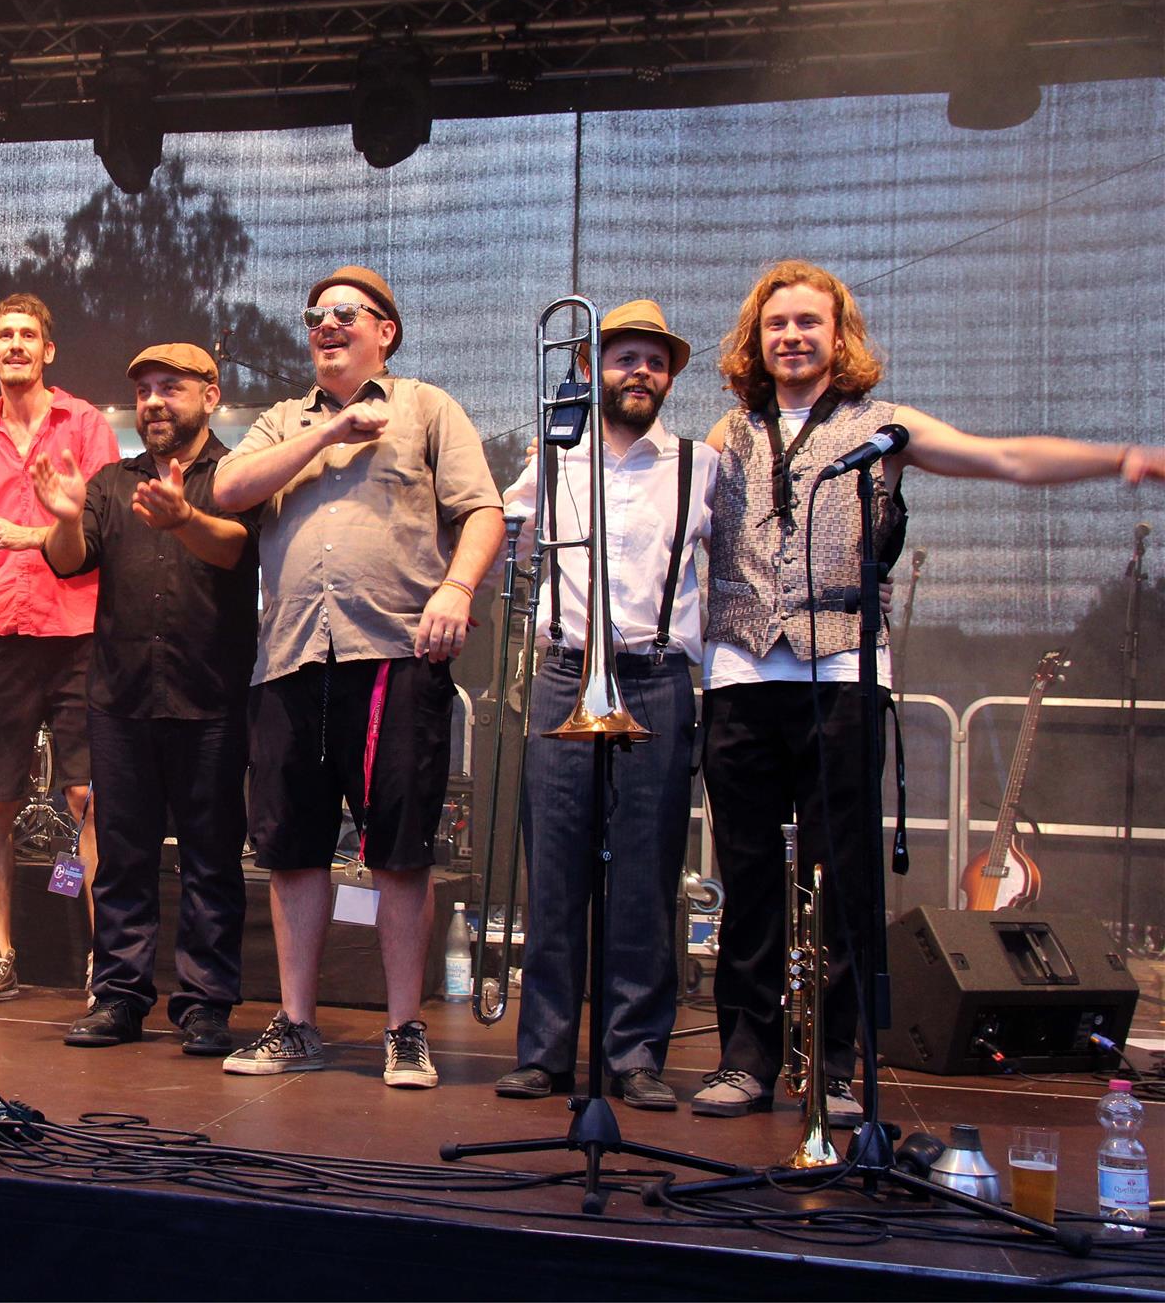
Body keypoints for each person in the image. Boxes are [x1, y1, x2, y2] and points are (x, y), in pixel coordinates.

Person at [692, 259, 1164, 1121]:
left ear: (839, 335)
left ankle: (834, 1066)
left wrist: (1121, 458)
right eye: (776, 324)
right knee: (750, 876)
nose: (791, 336)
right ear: (755, 340)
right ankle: (747, 1057)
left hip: (841, 671)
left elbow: (1003, 457)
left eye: (808, 322)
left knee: (841, 875)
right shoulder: (729, 431)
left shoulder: (884, 426)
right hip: (740, 671)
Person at [211, 266, 504, 1088]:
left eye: (346, 311)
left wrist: (457, 587)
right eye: (315, 314)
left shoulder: (426, 407)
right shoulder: (283, 420)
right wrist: (328, 434)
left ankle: (405, 1028)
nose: (326, 324)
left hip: (395, 653)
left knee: (399, 851)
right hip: (291, 656)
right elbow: (227, 488)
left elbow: (483, 510)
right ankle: (297, 1023)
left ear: (386, 330)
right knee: (293, 849)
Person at [491, 301, 716, 1112]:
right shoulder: (553, 453)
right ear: (589, 368)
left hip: (656, 675)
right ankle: (545, 1051)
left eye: (655, 362)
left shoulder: (698, 464)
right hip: (564, 670)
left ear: (669, 379)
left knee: (647, 874)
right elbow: (510, 547)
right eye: (624, 358)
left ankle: (635, 1054)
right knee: (554, 869)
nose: (640, 373)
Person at [31, 344, 260, 1054]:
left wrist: (183, 516)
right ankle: (119, 997)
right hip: (121, 697)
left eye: (171, 388)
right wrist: (64, 516)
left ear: (211, 395)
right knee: (122, 859)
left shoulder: (237, 475)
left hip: (211, 697)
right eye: (143, 391)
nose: (154, 401)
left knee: (211, 859)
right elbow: (70, 559)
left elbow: (237, 550)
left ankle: (205, 1004)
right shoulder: (110, 482)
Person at [0, 293, 117, 1006]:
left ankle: (107, 964)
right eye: (5, 335)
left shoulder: (86, 424)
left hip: (77, 630)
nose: (16, 344)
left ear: (48, 350)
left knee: (87, 795)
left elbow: (103, 527)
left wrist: (29, 537)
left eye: (28, 335)